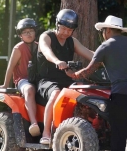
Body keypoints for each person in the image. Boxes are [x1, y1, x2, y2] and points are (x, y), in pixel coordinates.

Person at [66, 15, 127, 151]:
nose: (102, 34)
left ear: (108, 30)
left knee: (119, 135)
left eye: (103, 31)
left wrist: (73, 75)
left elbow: (89, 70)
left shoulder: (106, 46)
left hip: (121, 94)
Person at [37, 9, 93, 144]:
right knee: (56, 93)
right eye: (63, 28)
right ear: (57, 25)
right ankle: (46, 132)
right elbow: (46, 51)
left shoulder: (71, 41)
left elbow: (90, 54)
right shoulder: (46, 36)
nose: (66, 33)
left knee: (85, 89)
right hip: (47, 80)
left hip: (66, 79)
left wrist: (106, 57)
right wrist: (57, 61)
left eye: (70, 30)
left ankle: (87, 127)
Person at [0, 18, 41, 137]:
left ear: (35, 32)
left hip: (38, 79)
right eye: (25, 32)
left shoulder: (40, 46)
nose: (28, 34)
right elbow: (10, 67)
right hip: (23, 80)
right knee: (29, 89)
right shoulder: (18, 48)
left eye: (31, 30)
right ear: (20, 35)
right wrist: (5, 84)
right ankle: (33, 123)